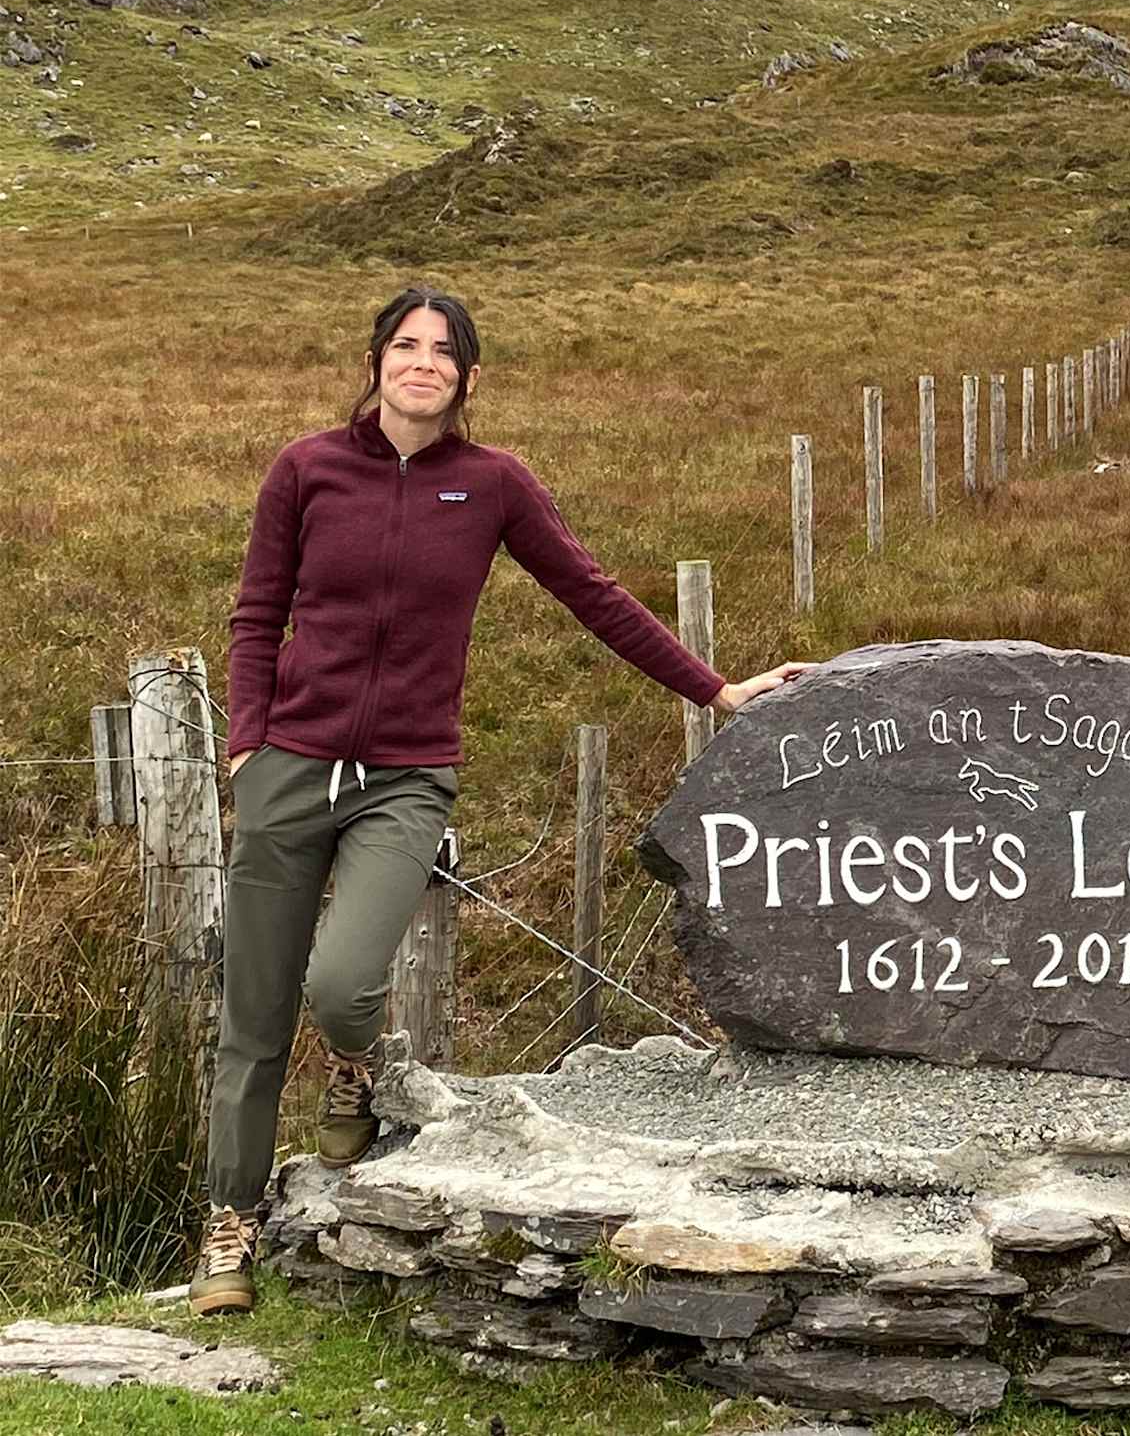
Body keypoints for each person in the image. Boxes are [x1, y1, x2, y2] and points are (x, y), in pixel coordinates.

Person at [191, 286, 808, 1317]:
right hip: (289, 768)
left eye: (443, 351)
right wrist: (250, 748)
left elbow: (592, 592)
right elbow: (258, 614)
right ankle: (229, 1230)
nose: (421, 363)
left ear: (470, 379)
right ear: (376, 360)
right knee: (250, 1023)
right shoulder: (306, 469)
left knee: (344, 982)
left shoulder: (492, 485)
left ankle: (352, 1067)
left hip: (406, 776)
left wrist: (714, 688)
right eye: (404, 345)